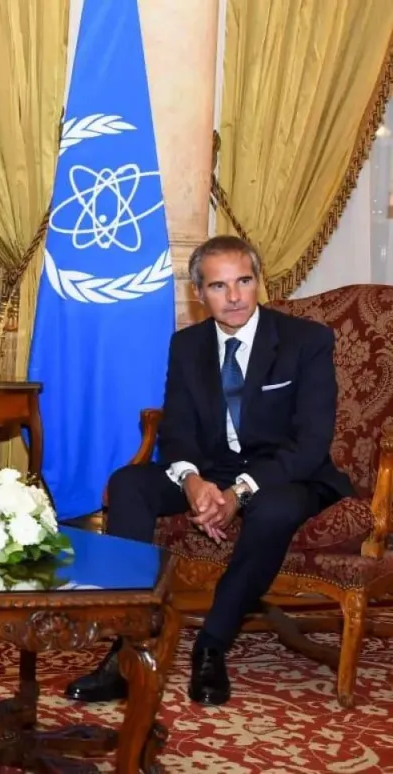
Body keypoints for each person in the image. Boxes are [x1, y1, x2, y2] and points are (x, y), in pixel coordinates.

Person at [65, 235, 352, 706]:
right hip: (213, 467)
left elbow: (310, 443)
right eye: (219, 286)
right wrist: (193, 481)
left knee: (275, 509)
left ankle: (212, 645)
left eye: (244, 281)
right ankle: (127, 645)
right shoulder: (187, 345)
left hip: (287, 473)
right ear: (199, 293)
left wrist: (238, 493)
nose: (234, 296)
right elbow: (177, 430)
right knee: (128, 484)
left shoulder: (306, 341)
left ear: (258, 282)